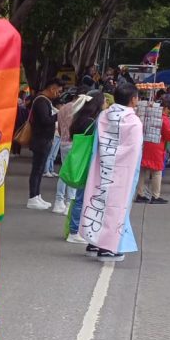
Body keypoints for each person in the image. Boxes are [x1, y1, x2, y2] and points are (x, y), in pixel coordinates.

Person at [79, 83, 143, 262]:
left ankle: (93, 241)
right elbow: (134, 149)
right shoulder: (133, 121)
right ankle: (108, 247)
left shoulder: (104, 115)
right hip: (122, 171)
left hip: (102, 165)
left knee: (97, 199)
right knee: (116, 206)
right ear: (133, 99)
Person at [64, 91, 105, 245]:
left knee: (80, 196)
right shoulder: (92, 122)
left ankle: (75, 229)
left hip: (79, 160)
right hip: (88, 162)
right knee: (82, 197)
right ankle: (74, 231)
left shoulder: (80, 118)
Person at [26, 78, 63, 210]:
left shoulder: (44, 101)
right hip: (40, 140)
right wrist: (59, 116)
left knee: (40, 169)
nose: (58, 95)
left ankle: (37, 195)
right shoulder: (41, 101)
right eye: (58, 92)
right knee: (37, 169)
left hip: (43, 139)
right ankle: (32, 197)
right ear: (52, 88)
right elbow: (45, 120)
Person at [135, 97, 170, 204]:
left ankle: (140, 193)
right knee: (157, 171)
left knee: (142, 170)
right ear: (165, 108)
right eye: (168, 109)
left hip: (144, 144)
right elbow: (169, 135)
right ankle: (155, 196)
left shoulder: (146, 115)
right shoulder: (163, 119)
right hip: (157, 146)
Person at [51, 90, 81, 214]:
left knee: (64, 173)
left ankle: (59, 201)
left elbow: (59, 125)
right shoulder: (78, 108)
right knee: (73, 174)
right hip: (74, 142)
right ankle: (69, 203)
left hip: (63, 142)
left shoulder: (63, 108)